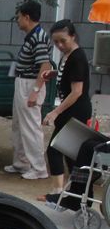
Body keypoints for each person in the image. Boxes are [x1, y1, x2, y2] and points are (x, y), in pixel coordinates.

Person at [40, 19, 92, 203]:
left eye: (63, 40)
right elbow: (68, 75)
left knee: (55, 149)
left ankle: (59, 192)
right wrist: (54, 74)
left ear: (73, 36)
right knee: (73, 155)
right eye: (56, 42)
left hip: (75, 111)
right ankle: (75, 195)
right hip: (72, 110)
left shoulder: (77, 57)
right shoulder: (69, 55)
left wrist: (55, 112)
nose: (60, 45)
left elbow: (77, 91)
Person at [4, 0, 52, 180]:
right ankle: (21, 162)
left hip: (31, 83)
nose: (17, 21)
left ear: (27, 17)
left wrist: (35, 90)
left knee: (31, 126)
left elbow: (44, 66)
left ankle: (38, 167)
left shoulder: (38, 37)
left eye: (19, 17)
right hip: (24, 81)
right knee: (19, 125)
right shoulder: (32, 35)